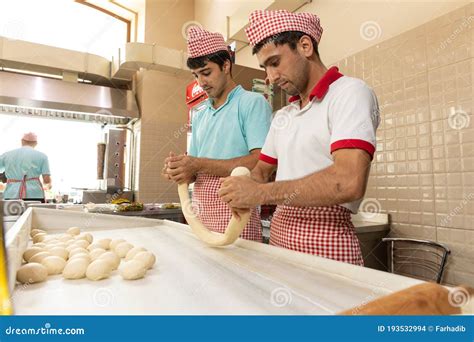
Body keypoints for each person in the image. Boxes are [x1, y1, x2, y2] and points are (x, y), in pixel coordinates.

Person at [219, 10, 380, 265]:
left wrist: (259, 194)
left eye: (274, 63)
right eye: (265, 68)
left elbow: (348, 181)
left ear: (305, 45)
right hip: (281, 236)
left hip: (327, 239)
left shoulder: (349, 93)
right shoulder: (284, 115)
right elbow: (261, 172)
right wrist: (238, 187)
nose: (270, 78)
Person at [162, 26, 272, 242]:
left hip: (237, 215)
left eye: (206, 72)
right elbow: (194, 172)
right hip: (201, 214)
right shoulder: (199, 114)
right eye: (196, 75)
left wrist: (198, 164)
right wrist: (180, 169)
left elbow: (261, 162)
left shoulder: (252, 103)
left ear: (226, 65)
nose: (201, 82)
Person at [0, 132, 52, 202]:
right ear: (36, 143)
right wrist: (49, 184)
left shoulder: (7, 155)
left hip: (11, 194)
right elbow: (46, 180)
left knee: (13, 212)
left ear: (22, 141)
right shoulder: (42, 156)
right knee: (33, 212)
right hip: (35, 194)